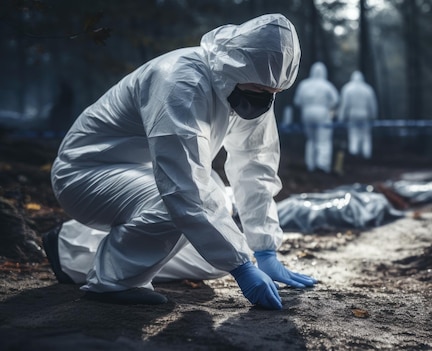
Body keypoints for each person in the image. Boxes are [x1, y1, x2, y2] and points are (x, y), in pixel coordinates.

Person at [43, 13, 316, 310]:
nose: (264, 100)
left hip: (143, 174)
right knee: (179, 205)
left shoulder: (247, 83)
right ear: (235, 68)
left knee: (213, 255)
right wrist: (242, 269)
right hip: (86, 173)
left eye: (273, 93)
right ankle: (113, 284)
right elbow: (181, 187)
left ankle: (70, 252)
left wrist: (264, 250)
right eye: (260, 91)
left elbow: (255, 166)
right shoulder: (178, 80)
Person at [292, 61, 339, 173]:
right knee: (323, 139)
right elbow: (336, 100)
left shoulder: (304, 84)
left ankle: (310, 165)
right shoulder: (327, 85)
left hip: (307, 112)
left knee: (311, 139)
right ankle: (322, 165)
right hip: (323, 112)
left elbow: (297, 101)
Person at [337, 70, 378, 159]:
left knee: (353, 134)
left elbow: (344, 105)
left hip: (352, 115)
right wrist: (373, 116)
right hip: (365, 114)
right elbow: (372, 104)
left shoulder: (347, 88)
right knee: (366, 135)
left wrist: (341, 117)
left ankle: (354, 153)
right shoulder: (367, 89)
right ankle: (366, 154)